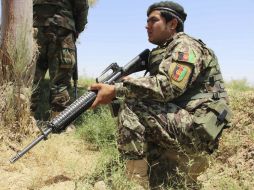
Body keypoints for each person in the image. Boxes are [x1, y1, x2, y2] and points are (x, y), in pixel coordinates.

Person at [89, 1, 232, 189]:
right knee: (134, 99)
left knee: (133, 104)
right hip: (186, 123)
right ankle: (149, 172)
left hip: (199, 130)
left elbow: (168, 87)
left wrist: (118, 88)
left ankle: (134, 183)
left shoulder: (186, 45)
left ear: (172, 24)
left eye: (153, 20)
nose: (146, 26)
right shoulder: (165, 50)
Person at [31, 0, 89, 119]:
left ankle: (23, 118)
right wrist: (77, 29)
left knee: (30, 77)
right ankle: (58, 121)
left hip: (34, 27)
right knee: (60, 80)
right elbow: (82, 6)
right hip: (62, 28)